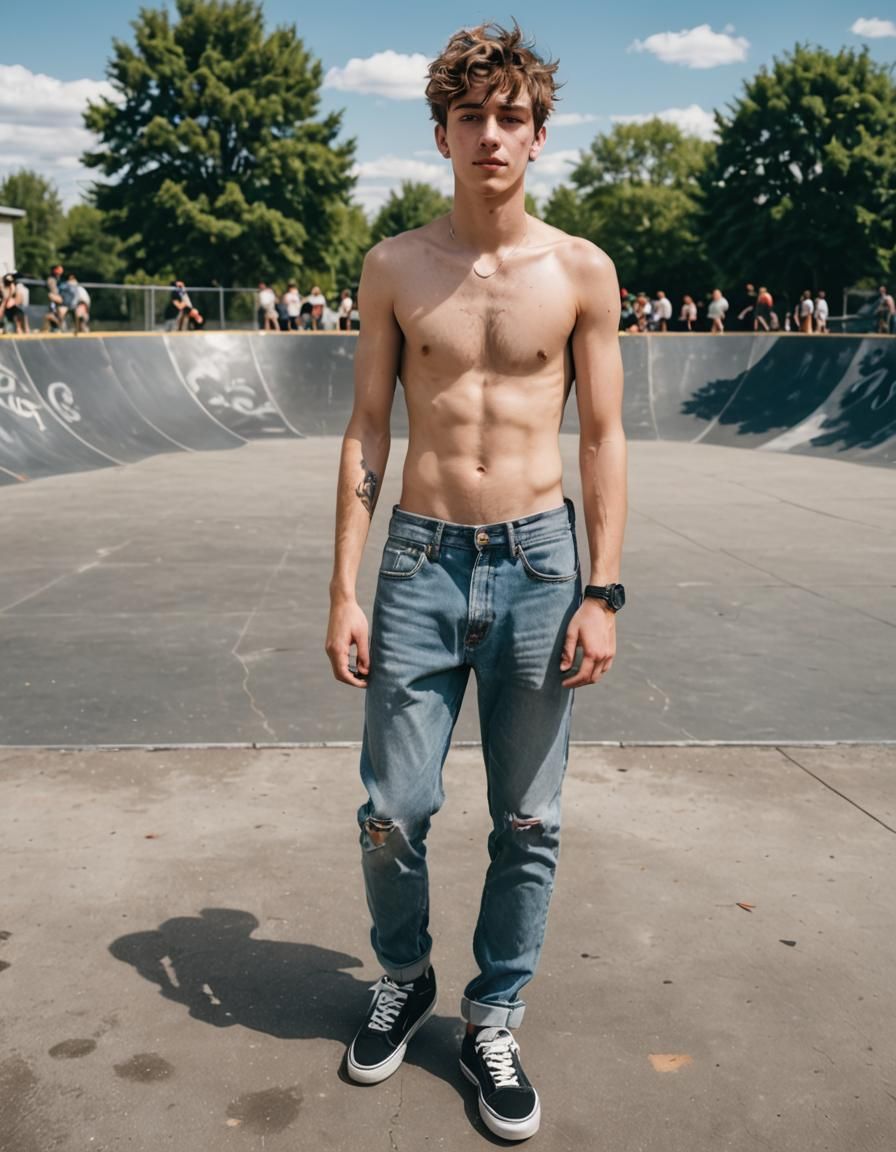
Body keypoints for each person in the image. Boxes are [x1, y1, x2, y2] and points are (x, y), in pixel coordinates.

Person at [325, 22, 626, 1142]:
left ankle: (492, 1012)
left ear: (537, 137)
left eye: (510, 117)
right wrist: (343, 587)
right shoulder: (394, 265)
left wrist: (603, 590)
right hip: (416, 559)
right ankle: (403, 975)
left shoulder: (581, 270)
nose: (490, 134)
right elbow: (366, 427)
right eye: (471, 117)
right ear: (441, 133)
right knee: (391, 812)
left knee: (527, 817)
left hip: (541, 564)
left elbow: (602, 437)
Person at [42, 263, 68, 332]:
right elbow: (54, 292)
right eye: (58, 270)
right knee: (52, 315)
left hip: (59, 302)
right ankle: (56, 327)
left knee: (59, 316)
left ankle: (59, 327)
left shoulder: (59, 280)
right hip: (54, 302)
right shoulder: (51, 280)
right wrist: (59, 298)